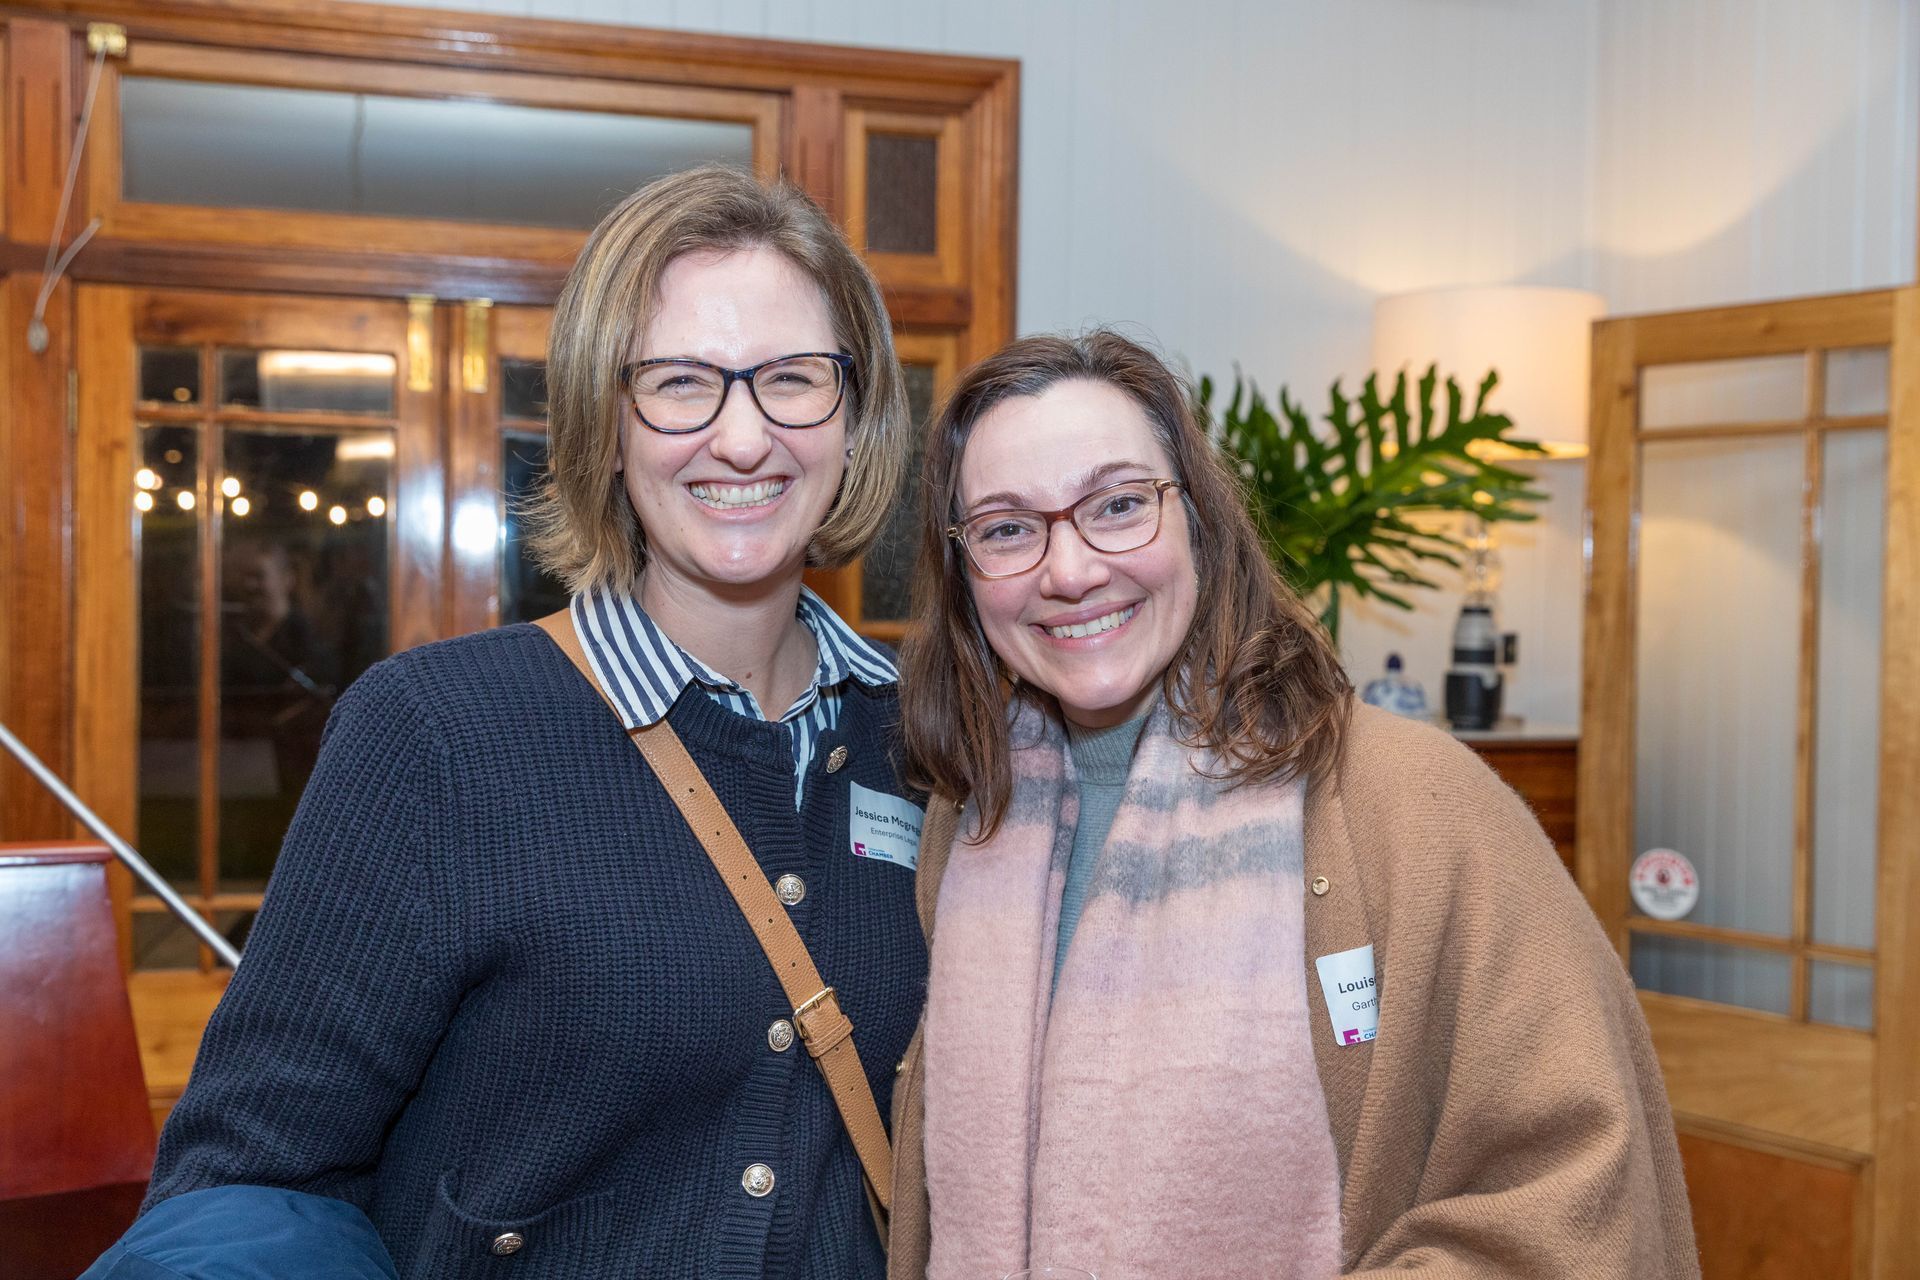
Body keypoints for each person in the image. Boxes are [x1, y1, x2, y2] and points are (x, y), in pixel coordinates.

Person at [85, 165, 926, 1280]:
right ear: (604, 421)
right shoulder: (433, 736)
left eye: (793, 377)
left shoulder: (926, 739)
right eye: (680, 382)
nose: (741, 435)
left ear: (855, 414)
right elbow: (250, 1181)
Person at [886, 331, 1698, 1280]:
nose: (1068, 571)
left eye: (1117, 505)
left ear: (1198, 517)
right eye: (1008, 528)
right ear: (964, 571)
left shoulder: (1413, 807)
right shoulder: (968, 820)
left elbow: (1575, 1185)